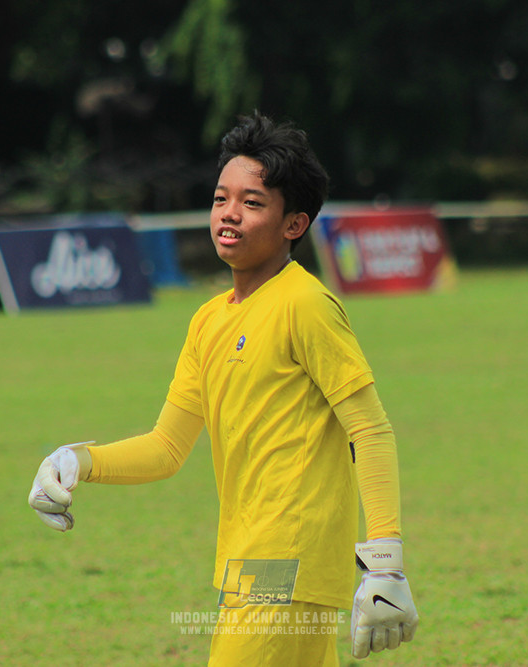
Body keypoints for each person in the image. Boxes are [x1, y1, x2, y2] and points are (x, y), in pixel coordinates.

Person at [29, 110, 418, 666]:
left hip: (285, 562)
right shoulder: (209, 320)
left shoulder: (306, 305)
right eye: (220, 199)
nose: (229, 215)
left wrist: (385, 563)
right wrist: (76, 460)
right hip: (247, 561)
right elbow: (166, 447)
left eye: (253, 203)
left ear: (294, 225)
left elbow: (371, 429)